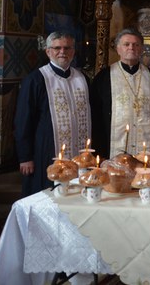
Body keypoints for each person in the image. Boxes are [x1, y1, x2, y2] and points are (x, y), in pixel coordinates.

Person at [15, 32, 91, 196]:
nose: (62, 52)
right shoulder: (36, 79)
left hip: (79, 152)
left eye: (67, 48)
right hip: (46, 150)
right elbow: (23, 120)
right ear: (48, 52)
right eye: (57, 48)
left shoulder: (82, 78)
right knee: (48, 195)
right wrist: (25, 156)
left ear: (73, 51)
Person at [90, 29, 150, 159]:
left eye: (136, 44)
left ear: (141, 49)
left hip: (146, 149)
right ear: (118, 49)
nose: (131, 48)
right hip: (112, 149)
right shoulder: (104, 77)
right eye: (126, 44)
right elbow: (96, 117)